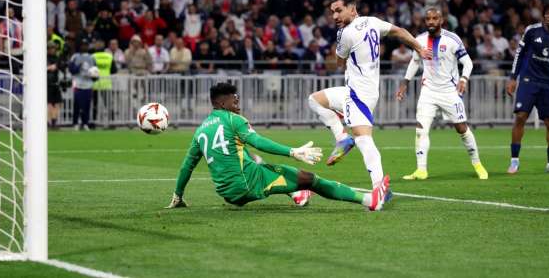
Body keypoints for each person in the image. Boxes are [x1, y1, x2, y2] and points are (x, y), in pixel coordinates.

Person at [166, 83, 390, 211]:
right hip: (248, 184)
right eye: (235, 101)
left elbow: (187, 166)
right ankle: (370, 200)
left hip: (228, 193)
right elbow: (259, 141)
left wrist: (178, 197)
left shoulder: (200, 130)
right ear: (222, 103)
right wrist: (293, 151)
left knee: (251, 157)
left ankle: (296, 194)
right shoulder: (234, 120)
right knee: (310, 179)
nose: (238, 105)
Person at [307, 0, 430, 192]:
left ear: (352, 9)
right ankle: (342, 138)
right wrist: (419, 48)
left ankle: (379, 188)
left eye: (339, 11)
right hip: (356, 90)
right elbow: (399, 31)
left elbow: (339, 64)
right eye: (332, 12)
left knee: (364, 140)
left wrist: (339, 51)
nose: (335, 16)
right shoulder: (372, 21)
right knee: (314, 100)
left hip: (360, 94)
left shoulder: (345, 33)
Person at [395, 8, 488, 180]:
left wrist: (463, 79)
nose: (431, 21)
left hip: (450, 92)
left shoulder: (452, 39)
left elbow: (467, 62)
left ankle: (477, 164)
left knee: (462, 129)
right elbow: (415, 62)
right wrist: (404, 83)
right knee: (420, 130)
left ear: (441, 20)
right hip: (428, 92)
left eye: (434, 18)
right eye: (428, 19)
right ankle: (421, 170)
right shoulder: (419, 40)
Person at [506, 4, 549, 174]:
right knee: (520, 117)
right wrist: (513, 77)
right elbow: (519, 54)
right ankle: (514, 161)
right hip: (528, 81)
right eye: (547, 13)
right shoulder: (532, 30)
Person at [68, 40, 96, 130]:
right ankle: (75, 123)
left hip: (88, 84)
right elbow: (71, 70)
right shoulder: (75, 56)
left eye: (86, 45)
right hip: (78, 83)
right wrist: (78, 66)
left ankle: (85, 123)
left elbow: (95, 71)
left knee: (87, 105)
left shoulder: (92, 57)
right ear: (80, 46)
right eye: (83, 45)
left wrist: (94, 76)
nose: (84, 47)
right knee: (77, 104)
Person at [47, 41, 66, 129]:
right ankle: (49, 122)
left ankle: (54, 122)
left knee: (57, 103)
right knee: (49, 103)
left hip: (56, 83)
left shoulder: (57, 58)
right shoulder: (44, 58)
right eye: (51, 48)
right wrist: (49, 68)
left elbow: (62, 67)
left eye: (53, 48)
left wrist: (59, 65)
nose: (52, 50)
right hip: (47, 84)